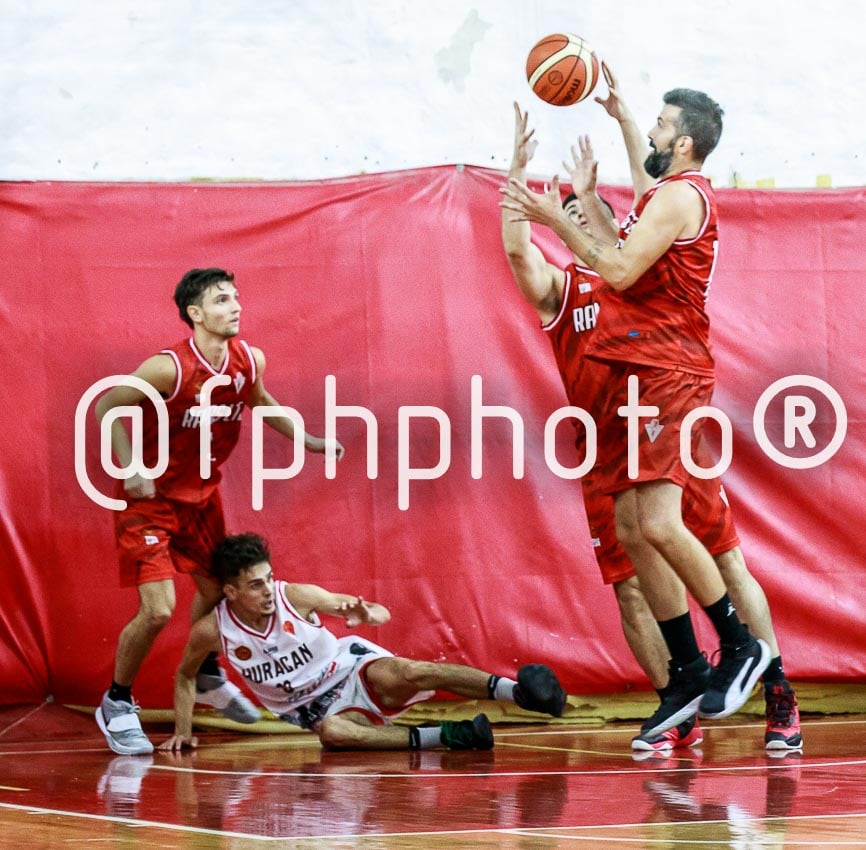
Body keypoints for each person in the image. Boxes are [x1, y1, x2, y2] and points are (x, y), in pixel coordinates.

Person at [500, 76, 796, 743]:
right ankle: (688, 669)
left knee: (667, 527)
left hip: (670, 370)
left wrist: (556, 221)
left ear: (683, 141)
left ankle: (741, 646)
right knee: (635, 529)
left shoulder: (682, 196)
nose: (653, 136)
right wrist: (622, 121)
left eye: (662, 126)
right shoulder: (661, 196)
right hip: (634, 379)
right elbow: (625, 222)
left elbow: (622, 268)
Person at [94, 268, 345, 756]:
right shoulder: (167, 369)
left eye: (236, 299)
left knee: (218, 592)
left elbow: (264, 404)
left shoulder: (248, 360)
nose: (236, 307)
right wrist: (130, 467)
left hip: (202, 499)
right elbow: (107, 405)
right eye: (222, 300)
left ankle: (208, 675)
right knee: (159, 609)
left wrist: (311, 441)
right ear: (195, 313)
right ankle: (117, 701)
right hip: (149, 502)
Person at [159, 532, 567, 752]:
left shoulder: (294, 596)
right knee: (333, 734)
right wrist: (182, 731)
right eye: (255, 585)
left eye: (268, 578)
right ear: (230, 592)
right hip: (317, 710)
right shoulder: (213, 631)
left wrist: (369, 614)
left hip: (352, 671)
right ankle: (450, 737)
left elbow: (378, 612)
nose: (267, 590)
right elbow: (186, 677)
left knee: (412, 670)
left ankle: (525, 695)